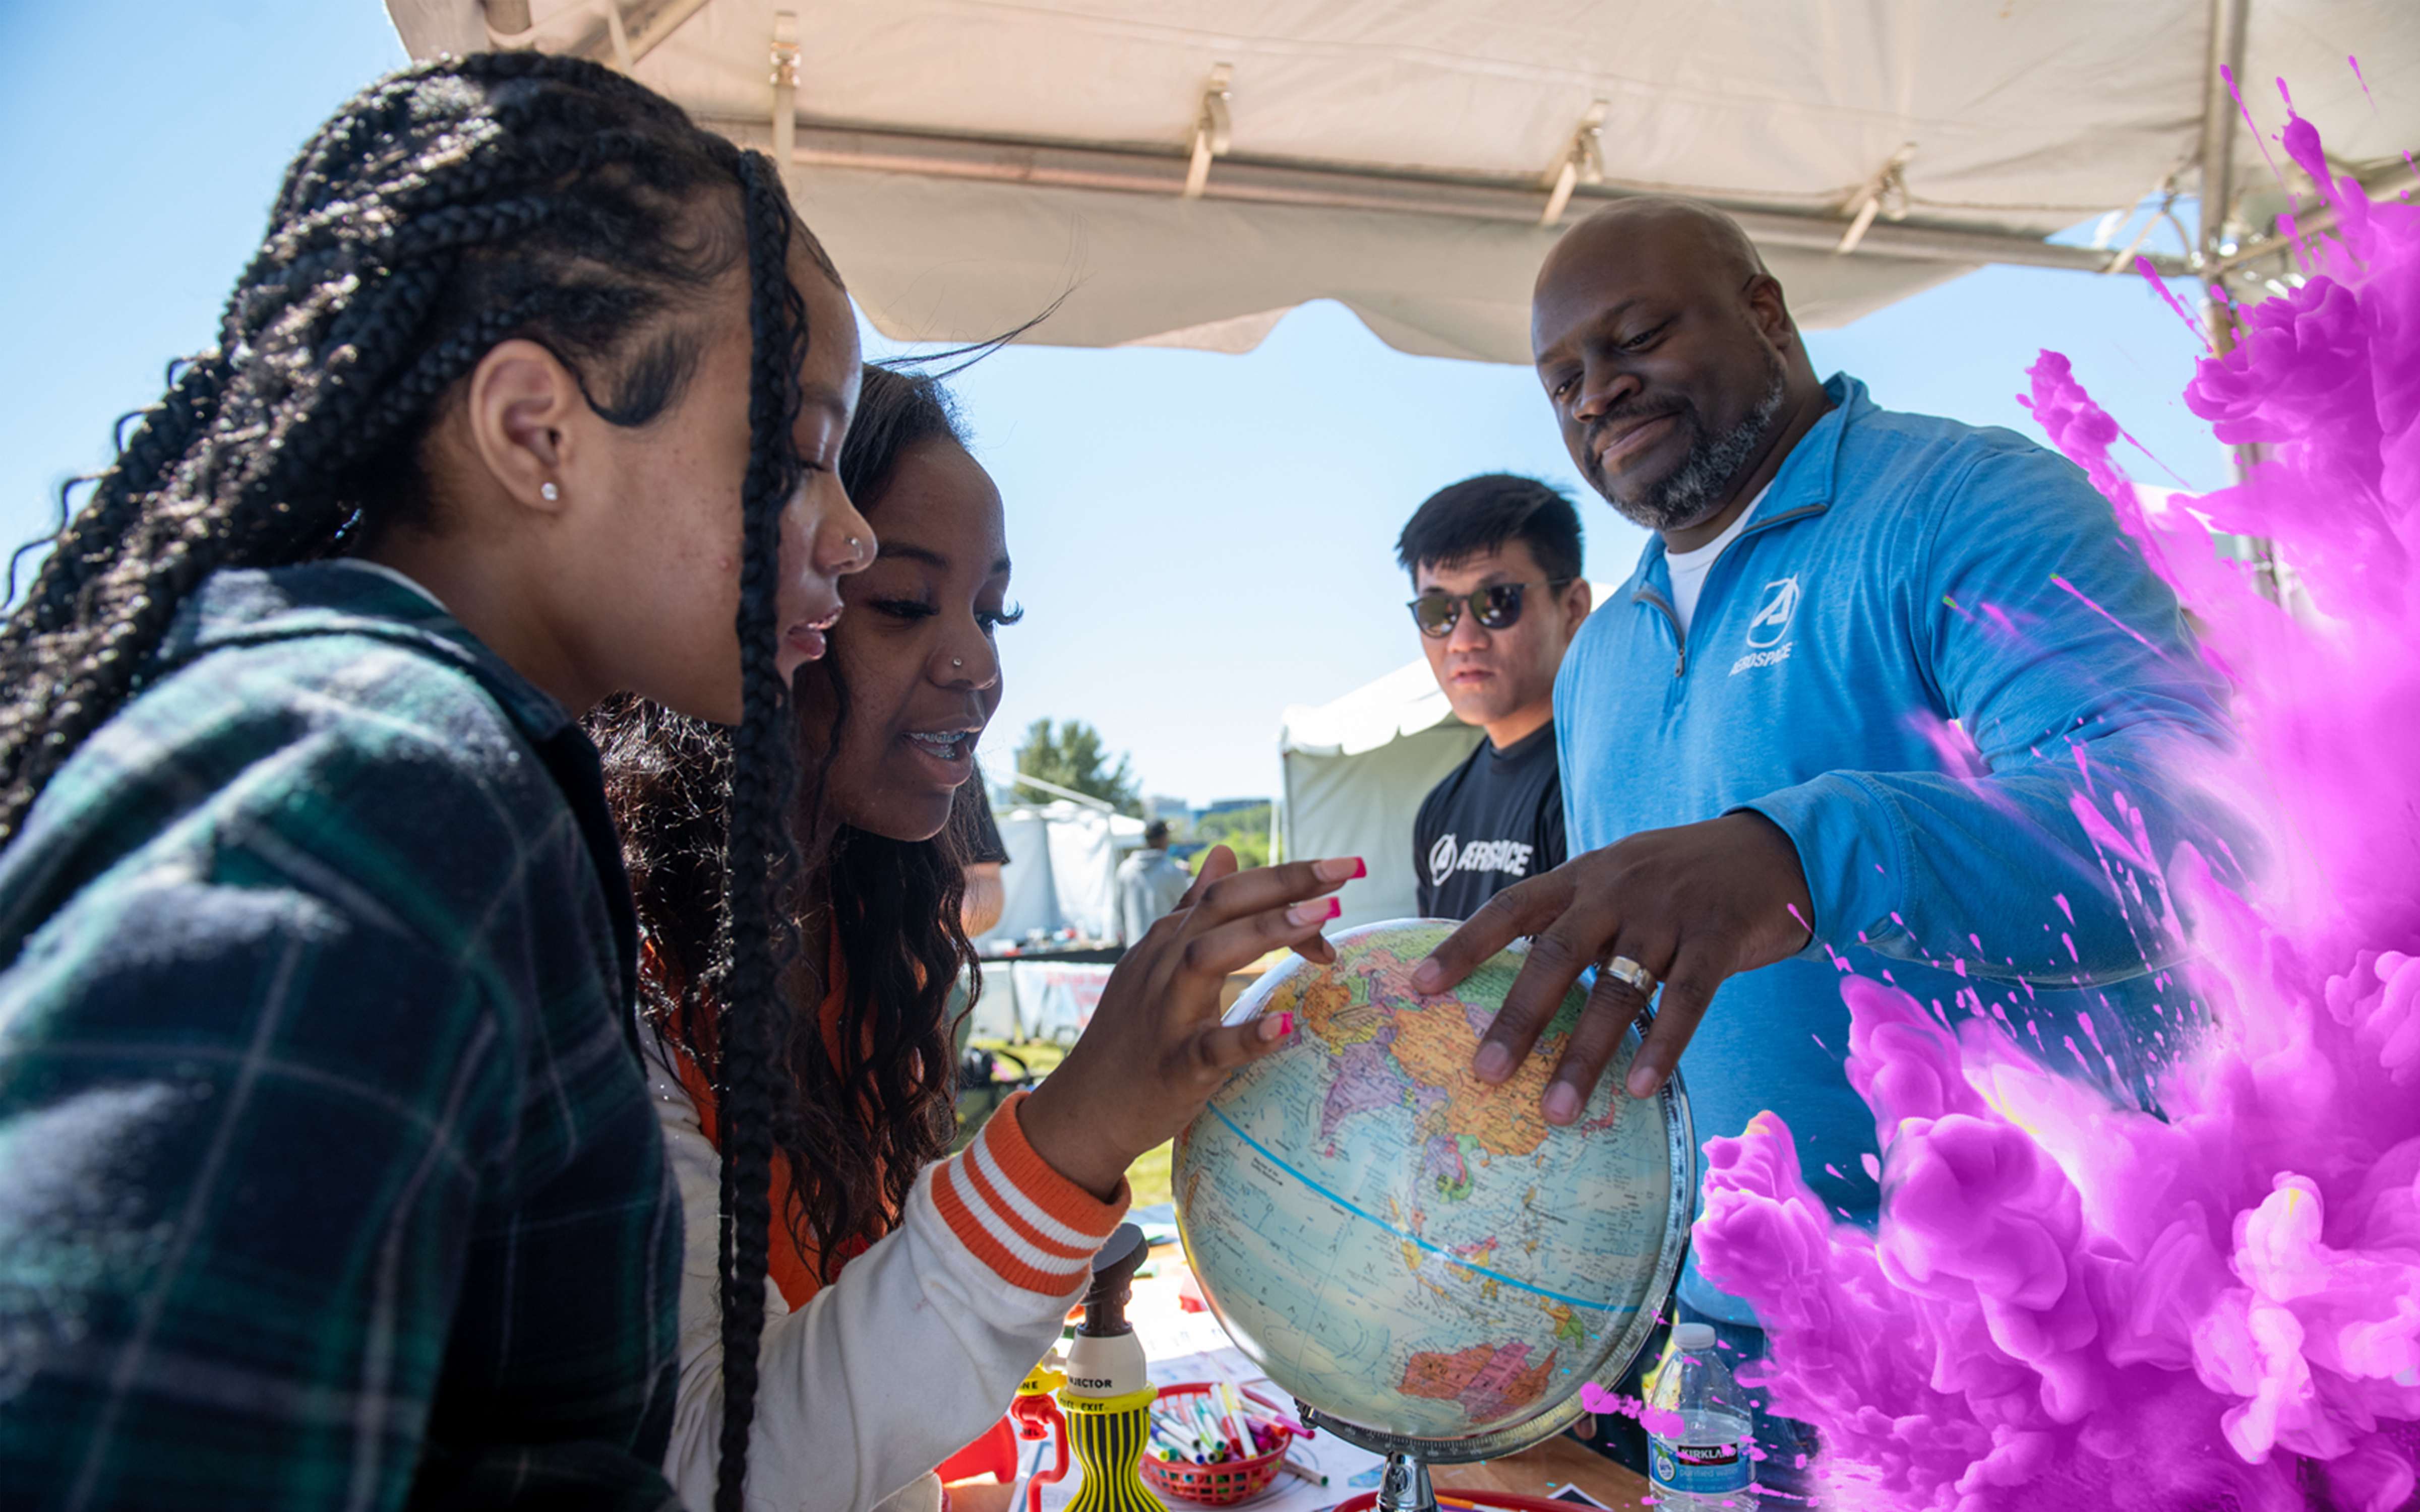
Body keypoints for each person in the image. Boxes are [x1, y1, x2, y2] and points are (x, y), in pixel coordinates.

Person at [0, 55, 880, 1508]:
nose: (848, 534)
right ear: (536, 431)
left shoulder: (445, 772)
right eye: (793, 456)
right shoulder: (380, 785)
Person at [1414, 197, 2239, 1495]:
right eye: (1560, 377)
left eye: (1634, 335)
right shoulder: (1603, 655)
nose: (1597, 390)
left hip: (2021, 1334)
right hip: (1724, 1343)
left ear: (1764, 312)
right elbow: (1649, 989)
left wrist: (1799, 853)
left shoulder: (1964, 500)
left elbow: (2183, 828)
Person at [594, 364, 1362, 1512]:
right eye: (904, 603)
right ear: (755, 605)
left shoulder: (869, 946)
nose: (979, 665)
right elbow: (712, 1467)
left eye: (991, 611)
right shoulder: (616, 976)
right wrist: (1073, 1131)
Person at [1397, 474, 1591, 919]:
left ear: (1573, 607)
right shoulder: (1440, 808)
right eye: (1437, 611)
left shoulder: (1599, 785)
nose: (1463, 639)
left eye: (1497, 601)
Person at [1116, 818, 1194, 944]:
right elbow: (1188, 910)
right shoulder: (1171, 871)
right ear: (1164, 839)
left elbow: (1119, 913)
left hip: (1135, 949)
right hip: (1166, 950)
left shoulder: (1125, 870)